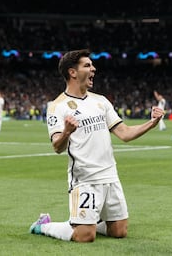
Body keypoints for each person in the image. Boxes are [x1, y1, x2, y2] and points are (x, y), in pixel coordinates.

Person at [29, 49, 164, 242]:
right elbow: (57, 147)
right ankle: (43, 226)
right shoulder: (57, 106)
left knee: (119, 231)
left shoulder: (101, 101)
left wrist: (151, 123)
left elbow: (124, 133)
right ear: (72, 72)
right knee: (85, 236)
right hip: (84, 178)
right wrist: (67, 131)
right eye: (87, 65)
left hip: (110, 175)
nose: (93, 68)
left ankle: (90, 219)